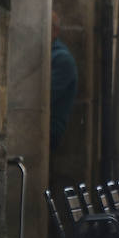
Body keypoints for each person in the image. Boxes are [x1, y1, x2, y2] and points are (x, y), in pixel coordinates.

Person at [49, 11, 77, 151]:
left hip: (50, 128)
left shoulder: (62, 59)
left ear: (55, 31)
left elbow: (44, 96)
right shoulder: (50, 53)